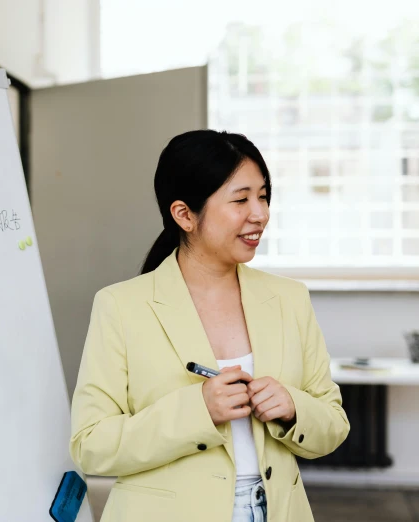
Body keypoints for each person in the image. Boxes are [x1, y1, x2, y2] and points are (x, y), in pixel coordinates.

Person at [69, 130, 350, 522]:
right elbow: (91, 444)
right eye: (241, 199)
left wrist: (293, 408)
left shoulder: (289, 298)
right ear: (184, 214)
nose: (260, 213)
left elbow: (334, 424)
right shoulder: (121, 305)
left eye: (263, 195)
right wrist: (198, 409)